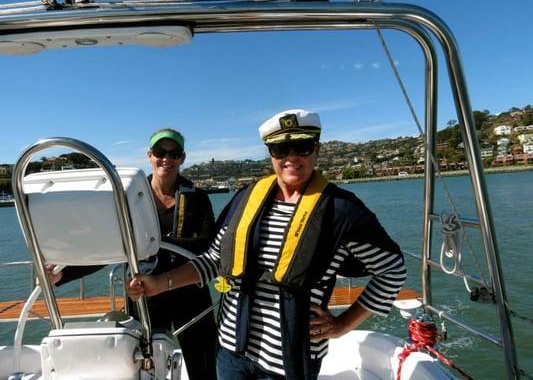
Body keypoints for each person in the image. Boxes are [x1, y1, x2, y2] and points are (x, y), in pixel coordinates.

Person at [127, 110, 407, 380]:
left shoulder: (342, 212)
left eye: (303, 147)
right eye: (280, 150)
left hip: (290, 359)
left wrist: (342, 325)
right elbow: (214, 259)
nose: (292, 158)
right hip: (231, 352)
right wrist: (159, 283)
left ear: (317, 150)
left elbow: (392, 271)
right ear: (270, 155)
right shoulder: (246, 199)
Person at [47, 128, 218, 380]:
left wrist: (153, 244)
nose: (166, 159)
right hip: (143, 294)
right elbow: (110, 246)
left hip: (189, 290)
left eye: (174, 153)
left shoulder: (198, 198)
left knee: (204, 364)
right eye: (160, 152)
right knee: (142, 366)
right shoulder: (130, 200)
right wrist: (62, 273)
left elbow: (207, 246)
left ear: (182, 158)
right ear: (150, 155)